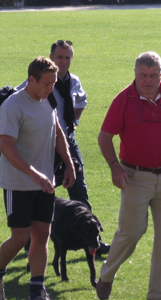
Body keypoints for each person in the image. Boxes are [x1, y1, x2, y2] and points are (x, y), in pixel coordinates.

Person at [96, 51, 161, 300]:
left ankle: (158, 296)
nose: (148, 80)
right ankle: (107, 275)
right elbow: (104, 137)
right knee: (131, 233)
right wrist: (114, 167)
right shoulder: (124, 99)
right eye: (143, 75)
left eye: (153, 75)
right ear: (135, 73)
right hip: (135, 177)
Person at [0, 57, 75, 300]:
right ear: (31, 79)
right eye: (46, 84)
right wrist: (36, 176)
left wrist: (68, 163)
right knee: (20, 238)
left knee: (42, 236)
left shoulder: (48, 99)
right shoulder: (13, 106)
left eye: (53, 83)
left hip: (44, 184)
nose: (51, 88)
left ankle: (37, 289)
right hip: (19, 184)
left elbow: (57, 131)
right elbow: (7, 146)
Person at [17, 40, 110, 255]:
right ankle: (30, 240)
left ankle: (92, 237)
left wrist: (72, 123)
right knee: (40, 191)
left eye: (68, 57)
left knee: (79, 188)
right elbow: (20, 101)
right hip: (42, 144)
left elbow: (81, 103)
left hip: (67, 140)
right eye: (60, 57)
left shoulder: (73, 81)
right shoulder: (37, 81)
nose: (64, 61)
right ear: (51, 58)